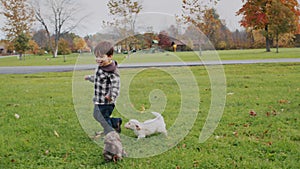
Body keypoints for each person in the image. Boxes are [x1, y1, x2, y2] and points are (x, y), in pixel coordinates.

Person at [85, 41, 122, 135]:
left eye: (101, 57)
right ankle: (115, 122)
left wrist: (111, 96)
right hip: (99, 99)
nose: (98, 59)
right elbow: (99, 79)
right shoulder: (100, 67)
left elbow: (115, 85)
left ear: (110, 56)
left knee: (102, 117)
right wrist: (90, 78)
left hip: (107, 101)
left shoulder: (112, 71)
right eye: (96, 56)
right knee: (97, 115)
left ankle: (110, 134)